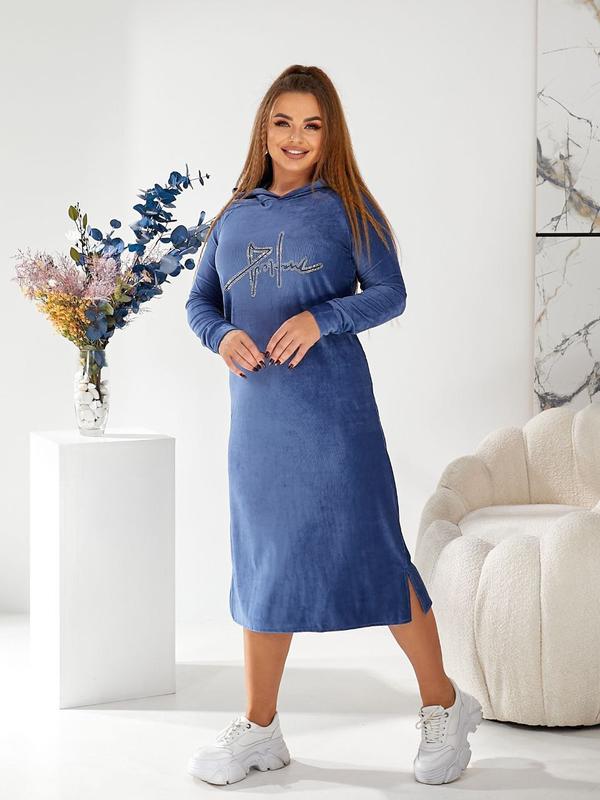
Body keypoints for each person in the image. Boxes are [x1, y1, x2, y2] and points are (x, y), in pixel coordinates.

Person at [185, 65, 482, 786]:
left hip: (335, 420)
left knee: (375, 555)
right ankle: (260, 728)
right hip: (260, 426)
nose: (296, 137)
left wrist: (322, 318)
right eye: (283, 122)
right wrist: (221, 335)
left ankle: (444, 706)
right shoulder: (234, 216)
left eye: (312, 125)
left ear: (330, 135)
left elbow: (390, 294)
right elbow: (200, 302)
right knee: (264, 565)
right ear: (264, 129)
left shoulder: (349, 209)